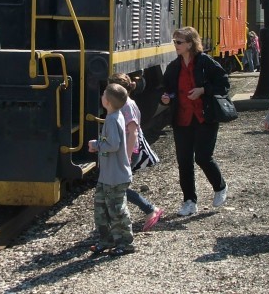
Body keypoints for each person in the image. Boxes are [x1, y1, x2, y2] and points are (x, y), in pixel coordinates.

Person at [160, 26, 229, 216]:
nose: (176, 45)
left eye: (179, 42)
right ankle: (189, 201)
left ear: (190, 43)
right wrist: (165, 97)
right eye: (174, 42)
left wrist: (203, 90)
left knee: (203, 157)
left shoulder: (205, 62)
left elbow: (223, 84)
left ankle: (220, 186)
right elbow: (166, 89)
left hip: (204, 117)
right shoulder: (174, 67)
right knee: (184, 161)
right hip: (182, 118)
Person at [108, 73, 164, 232]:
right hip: (124, 150)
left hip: (129, 151)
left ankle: (150, 209)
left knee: (117, 186)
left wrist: (126, 156)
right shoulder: (123, 104)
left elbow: (132, 132)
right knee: (116, 185)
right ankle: (119, 220)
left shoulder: (127, 106)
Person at [87, 83, 134, 256]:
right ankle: (106, 240)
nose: (101, 97)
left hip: (116, 176)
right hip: (107, 175)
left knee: (117, 211)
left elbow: (113, 145)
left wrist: (96, 145)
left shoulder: (114, 119)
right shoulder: (114, 116)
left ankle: (125, 243)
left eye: (103, 95)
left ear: (107, 101)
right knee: (101, 208)